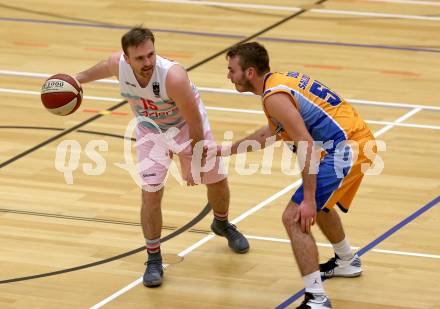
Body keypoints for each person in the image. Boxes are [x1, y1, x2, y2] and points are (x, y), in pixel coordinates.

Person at [75, 27, 249, 288]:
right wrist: (75, 79)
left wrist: (192, 160)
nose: (147, 62)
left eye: (151, 55)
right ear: (126, 58)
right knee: (151, 193)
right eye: (140, 58)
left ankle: (222, 223)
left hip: (188, 128)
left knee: (217, 181)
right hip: (150, 131)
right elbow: (100, 69)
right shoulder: (117, 64)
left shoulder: (173, 77)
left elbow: (195, 122)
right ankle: (153, 258)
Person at [221, 42, 377, 309]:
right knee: (321, 205)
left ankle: (316, 299)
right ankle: (347, 261)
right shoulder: (278, 84)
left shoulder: (274, 97)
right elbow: (269, 134)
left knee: (294, 217)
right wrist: (224, 151)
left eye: (231, 70)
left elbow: (305, 144)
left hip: (345, 150)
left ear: (249, 73)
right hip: (353, 144)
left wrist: (307, 198)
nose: (228, 76)